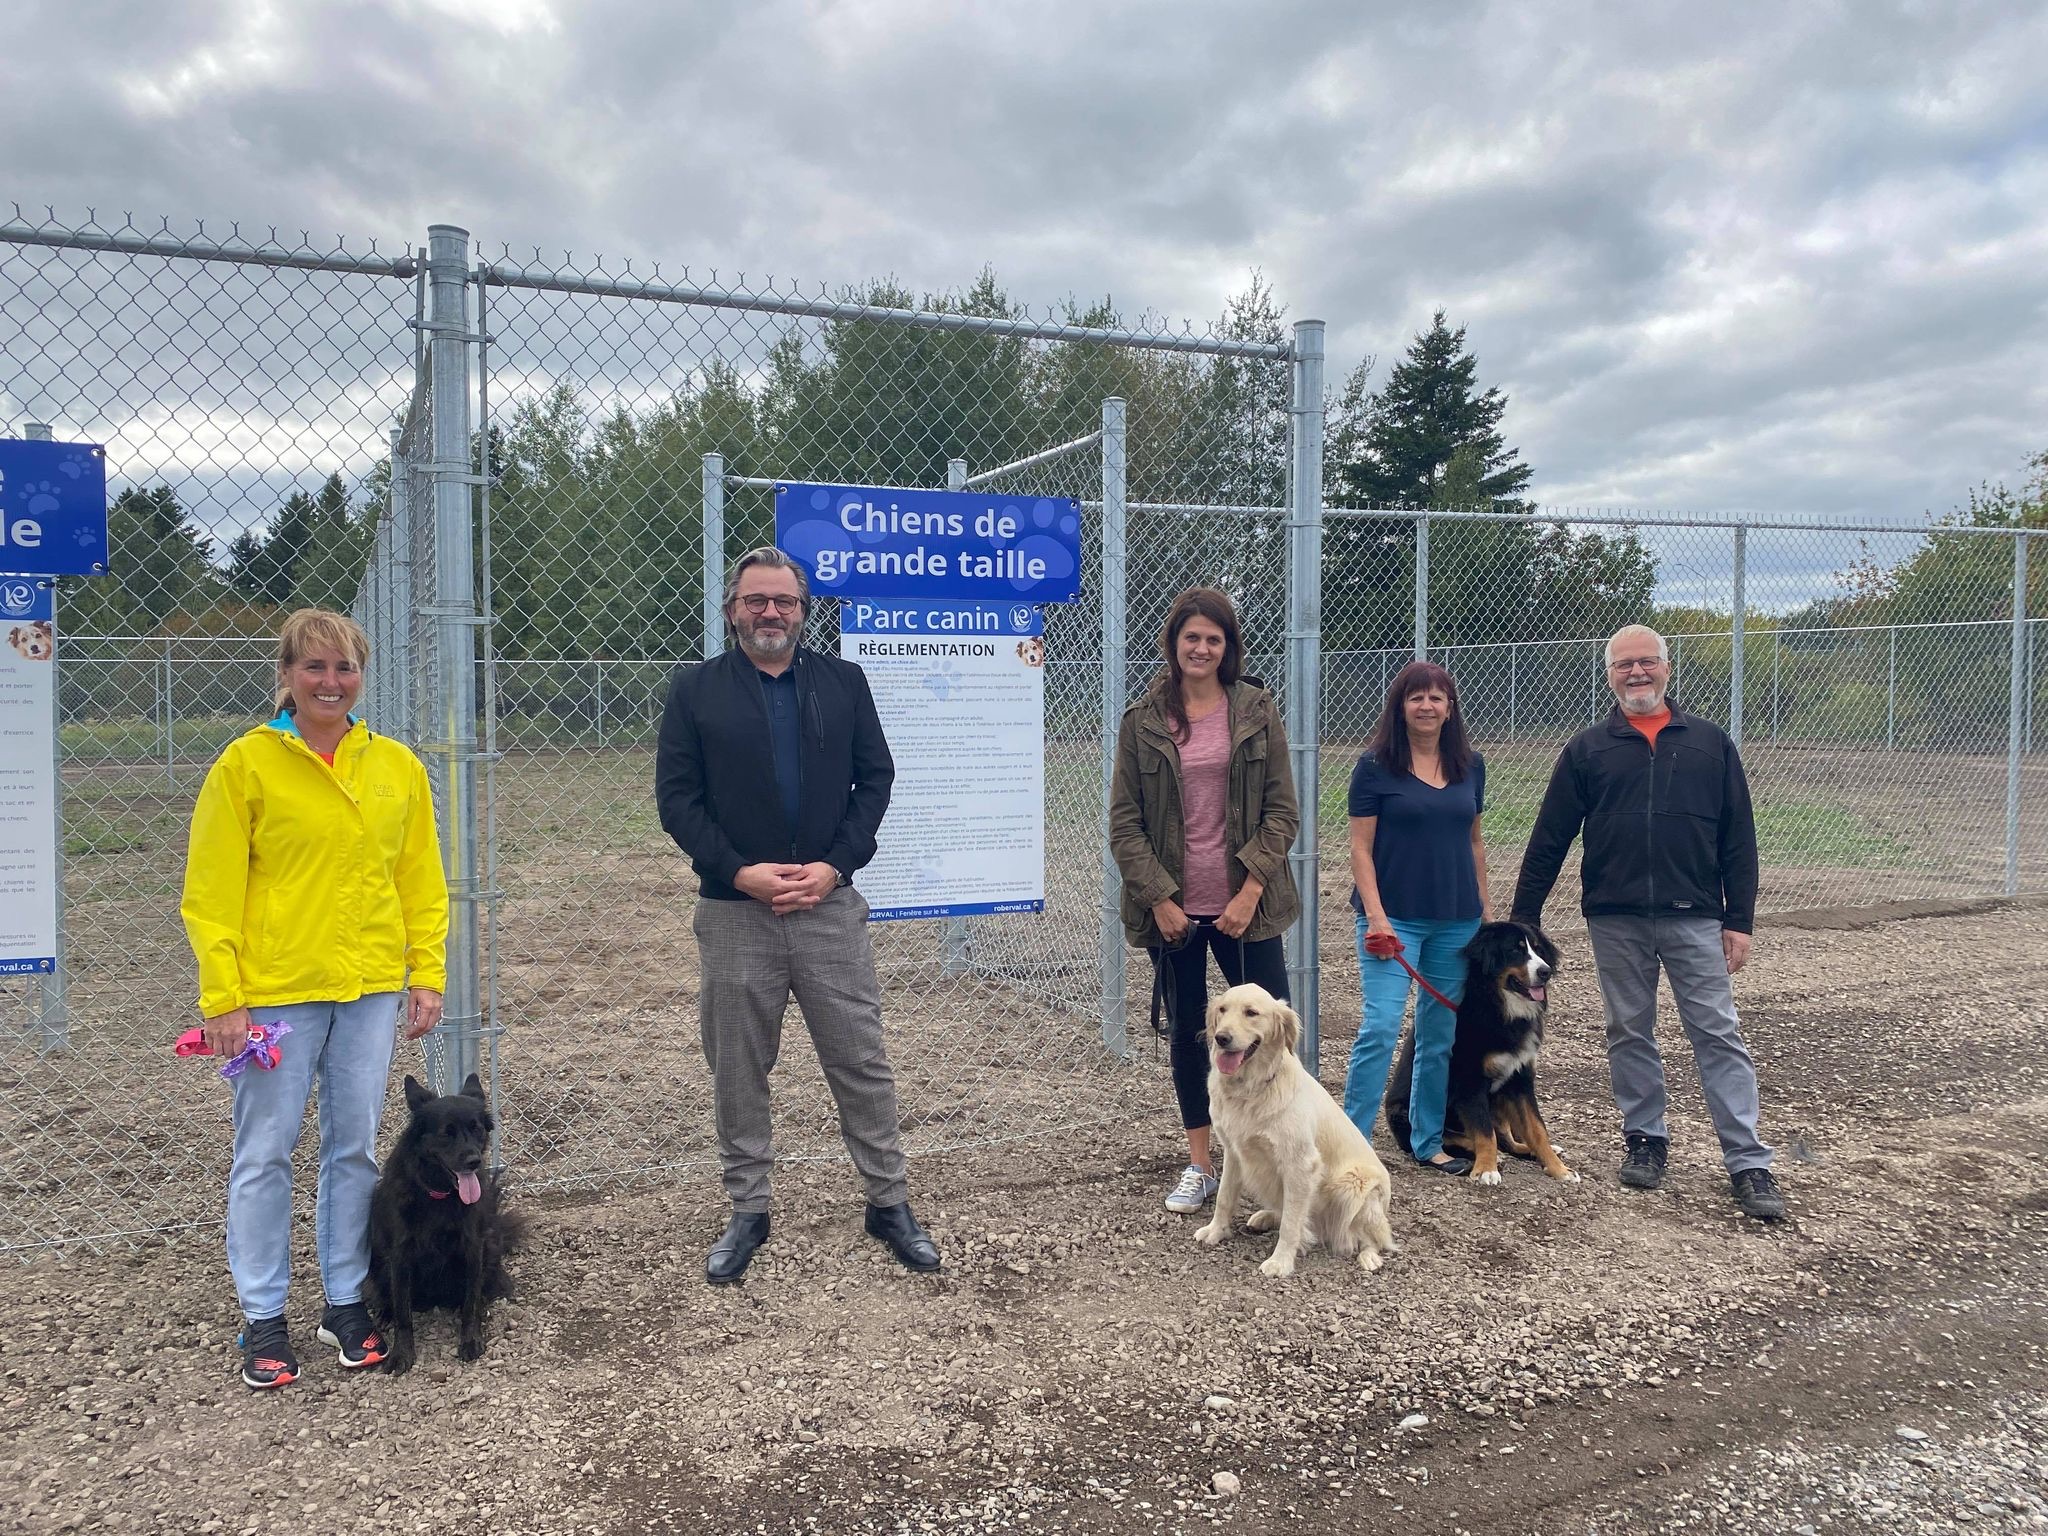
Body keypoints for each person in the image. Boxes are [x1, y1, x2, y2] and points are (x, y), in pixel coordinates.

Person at [655, 545, 941, 1283]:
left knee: (861, 1060)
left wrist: (834, 866)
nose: (770, 613)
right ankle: (748, 1209)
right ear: (732, 610)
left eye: (784, 601)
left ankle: (888, 1202)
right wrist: (739, 872)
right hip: (734, 912)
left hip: (827, 908)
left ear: (803, 611)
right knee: (739, 1070)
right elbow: (676, 800)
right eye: (756, 601)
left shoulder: (843, 683)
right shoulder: (695, 691)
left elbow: (875, 779)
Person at [182, 608, 449, 1390]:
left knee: (353, 1147)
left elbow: (420, 881)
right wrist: (224, 995)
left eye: (345, 669)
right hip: (276, 995)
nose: (330, 683)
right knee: (264, 1152)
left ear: (361, 677)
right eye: (314, 669)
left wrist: (423, 971)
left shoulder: (394, 766)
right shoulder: (248, 765)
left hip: (367, 988)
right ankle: (263, 1315)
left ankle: (343, 1300)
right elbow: (211, 891)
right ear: (287, 677)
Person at [1510, 624, 1785, 1221]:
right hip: (1617, 918)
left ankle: (1747, 1161)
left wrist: (1740, 918)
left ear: (1667, 668)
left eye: (1647, 663)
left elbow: (1740, 838)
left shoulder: (1710, 745)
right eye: (1624, 665)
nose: (1637, 673)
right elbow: (1551, 836)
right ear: (1609, 675)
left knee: (1716, 1033)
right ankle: (1645, 1138)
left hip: (1696, 917)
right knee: (1629, 1030)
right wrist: (1524, 914)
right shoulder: (1588, 750)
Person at [1109, 586, 1300, 1214]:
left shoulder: (1255, 710)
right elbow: (1125, 824)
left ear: (1228, 648)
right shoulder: (1141, 722)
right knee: (1195, 1036)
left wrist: (1248, 890)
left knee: (1269, 1033)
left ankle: (1281, 1157)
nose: (1201, 648)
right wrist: (1161, 899)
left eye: (1213, 639)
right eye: (1191, 637)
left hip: (1248, 908)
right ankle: (1201, 1164)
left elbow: (1281, 812)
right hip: (1175, 915)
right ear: (1173, 644)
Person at [1340, 660, 1490, 1174]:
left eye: (1437, 698)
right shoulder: (1374, 767)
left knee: (1439, 1033)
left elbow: (1474, 844)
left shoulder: (1472, 766)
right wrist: (1377, 917)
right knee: (1380, 1026)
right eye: (1415, 697)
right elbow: (1360, 849)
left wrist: (1485, 917)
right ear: (1399, 707)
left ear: (1450, 708)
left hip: (1457, 920)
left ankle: (1427, 1141)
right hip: (1392, 921)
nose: (1426, 706)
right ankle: (1351, 1143)